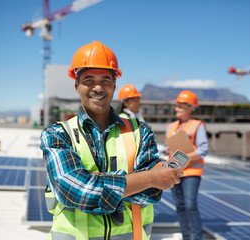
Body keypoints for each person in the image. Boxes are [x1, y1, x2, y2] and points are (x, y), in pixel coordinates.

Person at [40, 41, 183, 240]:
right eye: (88, 79)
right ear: (76, 85)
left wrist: (96, 183)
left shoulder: (141, 131)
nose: (98, 87)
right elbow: (75, 191)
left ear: (114, 85)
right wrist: (149, 178)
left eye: (105, 80)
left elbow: (151, 193)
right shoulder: (57, 134)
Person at [165, 90, 208, 240]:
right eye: (176, 106)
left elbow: (203, 149)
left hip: (192, 172)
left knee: (190, 205)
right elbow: (171, 148)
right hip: (175, 172)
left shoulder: (197, 126)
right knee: (180, 207)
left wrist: (183, 158)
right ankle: (186, 237)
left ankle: (197, 237)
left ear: (190, 108)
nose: (176, 109)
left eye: (180, 107)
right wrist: (168, 151)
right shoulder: (171, 127)